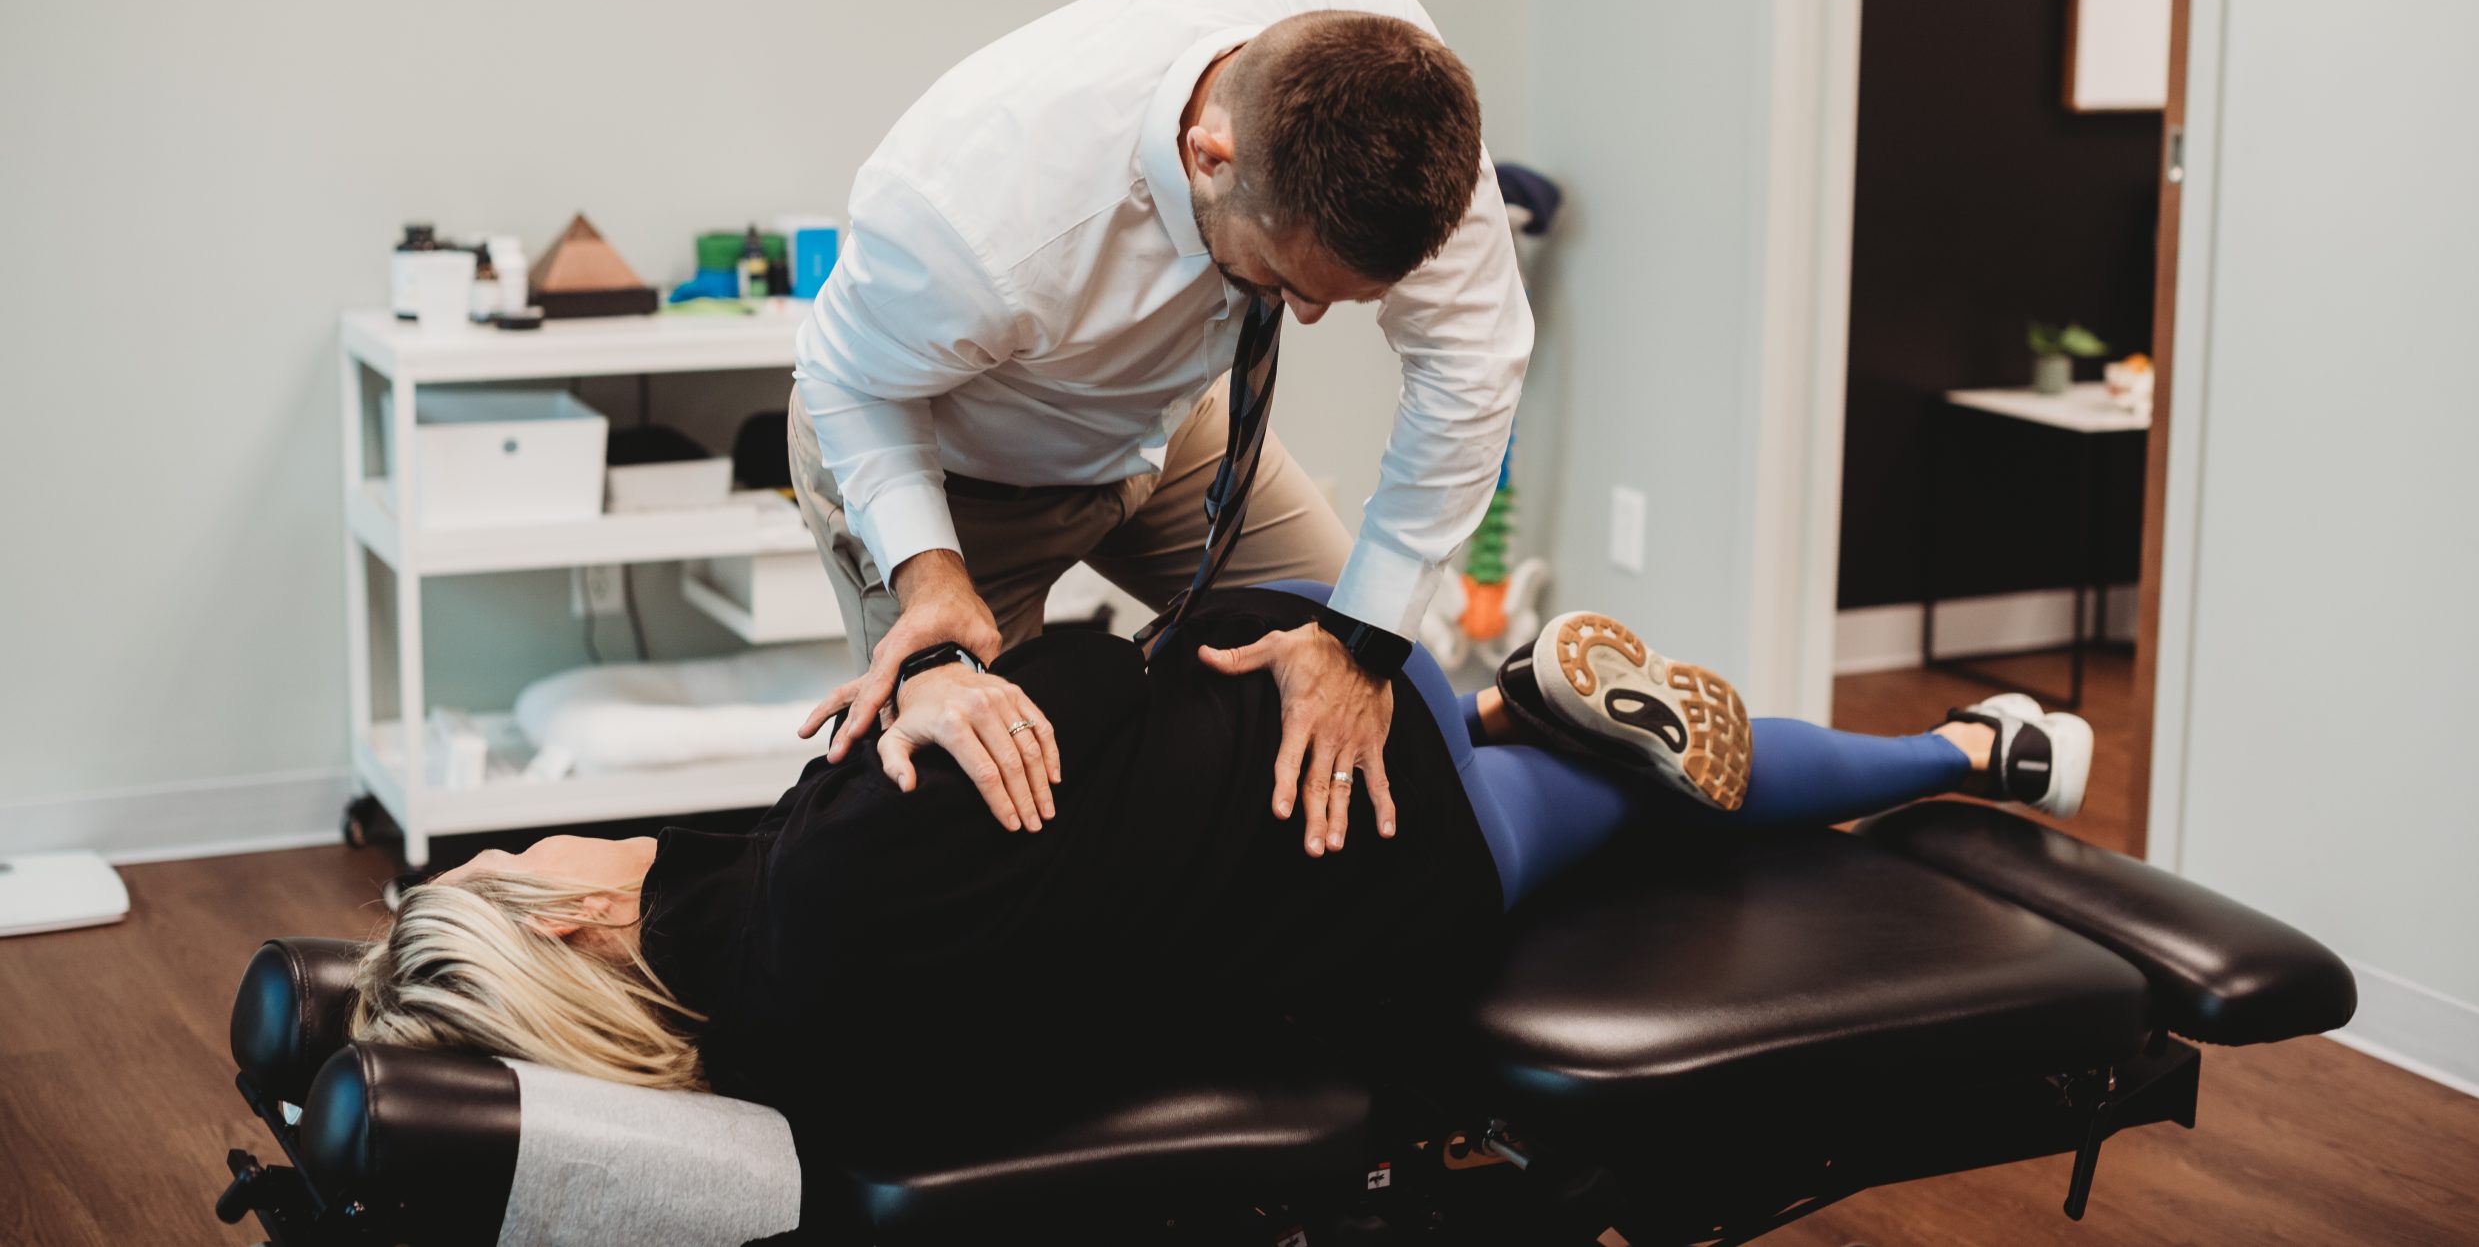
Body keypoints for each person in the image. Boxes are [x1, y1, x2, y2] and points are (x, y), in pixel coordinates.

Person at [351, 594, 2092, 1137]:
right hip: (1339, 789)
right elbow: (1094, 675)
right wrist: (958, 675)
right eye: (520, 851)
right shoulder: (832, 851)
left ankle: (1977, 747)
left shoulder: (780, 1051)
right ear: (570, 913)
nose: (543, 833)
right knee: (1636, 793)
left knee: (1604, 793)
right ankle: (1952, 746)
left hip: (1319, 914)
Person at [787, 0, 1534, 858]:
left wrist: (1362, 641)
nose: (1304, 316)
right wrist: (932, 579)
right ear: (1207, 156)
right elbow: (846, 377)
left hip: (1166, 430)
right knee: (967, 822)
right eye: (1284, 280)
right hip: (954, 471)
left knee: (1372, 670)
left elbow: (1473, 360)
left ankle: (1519, 722)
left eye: (1342, 297)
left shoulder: (1388, 77)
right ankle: (645, 884)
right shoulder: (972, 210)